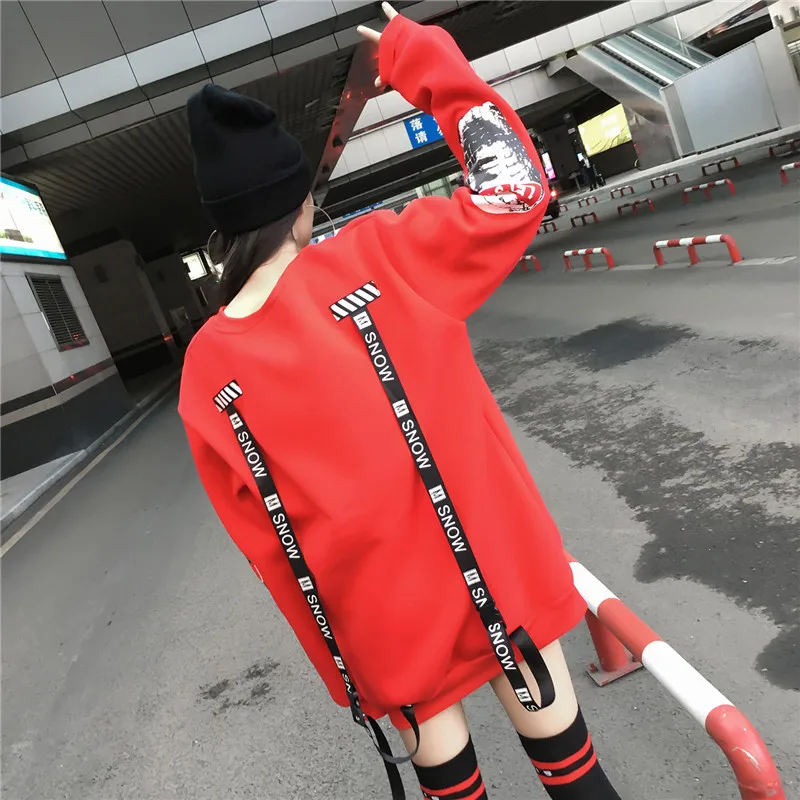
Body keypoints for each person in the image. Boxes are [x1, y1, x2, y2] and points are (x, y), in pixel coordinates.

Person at [179, 4, 622, 799]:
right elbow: (516, 187)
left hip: (382, 628)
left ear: (223, 233)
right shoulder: (379, 256)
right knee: (575, 774)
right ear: (301, 202)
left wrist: (346, 675)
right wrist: (421, 59)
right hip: (497, 580)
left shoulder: (207, 370)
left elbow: (268, 553)